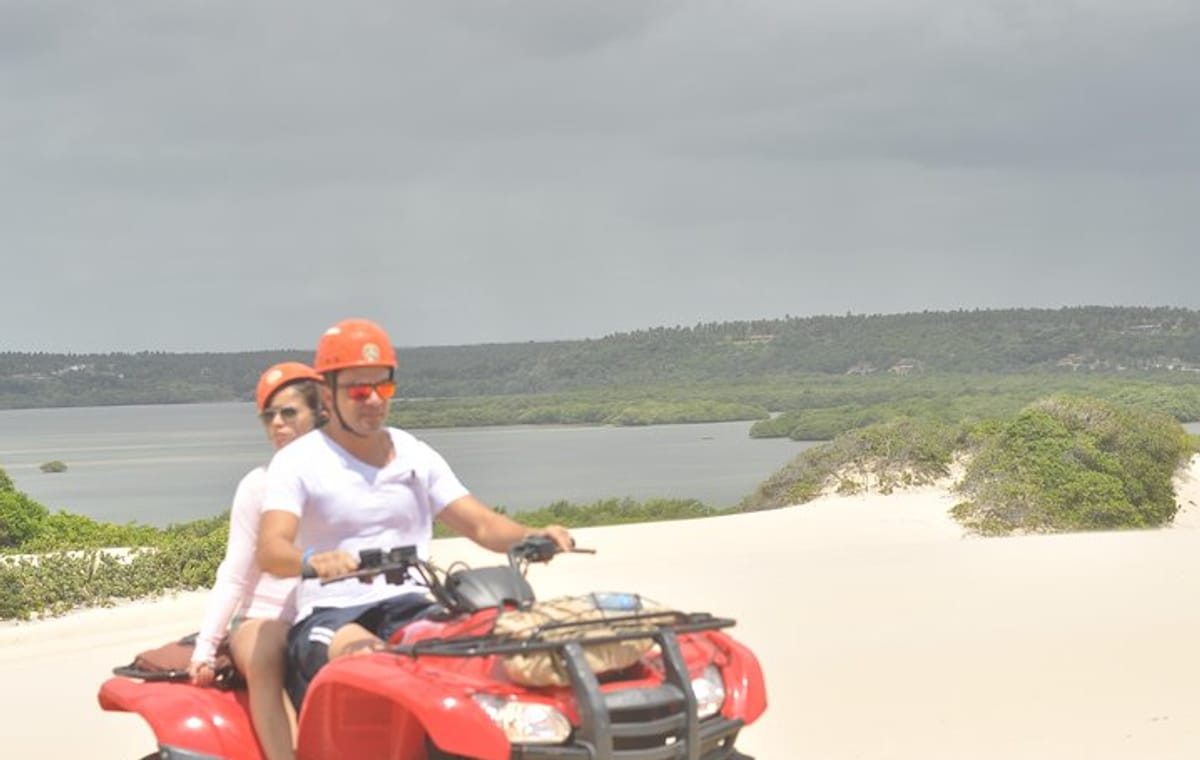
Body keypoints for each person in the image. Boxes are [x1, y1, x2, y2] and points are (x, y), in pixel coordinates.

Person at [256, 318, 573, 708]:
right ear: (327, 393)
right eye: (359, 390)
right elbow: (271, 549)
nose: (374, 400)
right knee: (375, 663)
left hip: (411, 605)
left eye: (384, 387)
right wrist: (312, 561)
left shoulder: (413, 454)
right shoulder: (299, 460)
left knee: (493, 650)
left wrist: (532, 535)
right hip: (332, 614)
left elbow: (481, 524)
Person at [188, 361, 325, 760]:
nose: (277, 424)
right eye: (269, 416)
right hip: (262, 618)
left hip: (324, 613)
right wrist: (205, 648)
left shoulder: (345, 481)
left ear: (320, 413)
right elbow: (234, 575)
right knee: (268, 654)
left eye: (289, 413)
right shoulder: (258, 486)